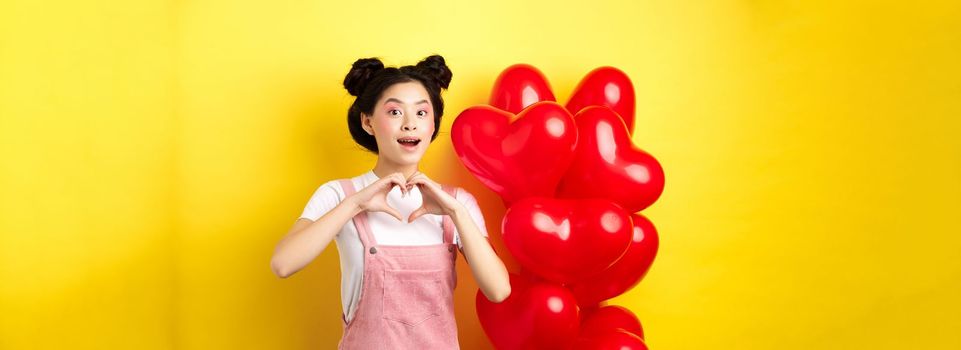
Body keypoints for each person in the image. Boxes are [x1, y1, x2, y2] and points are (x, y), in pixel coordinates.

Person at [270, 55, 511, 349]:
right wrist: (356, 205)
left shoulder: (457, 203)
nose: (410, 124)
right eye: (395, 112)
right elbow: (283, 264)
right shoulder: (339, 194)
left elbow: (498, 290)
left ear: (433, 125)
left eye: (422, 113)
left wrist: (455, 212)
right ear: (368, 122)